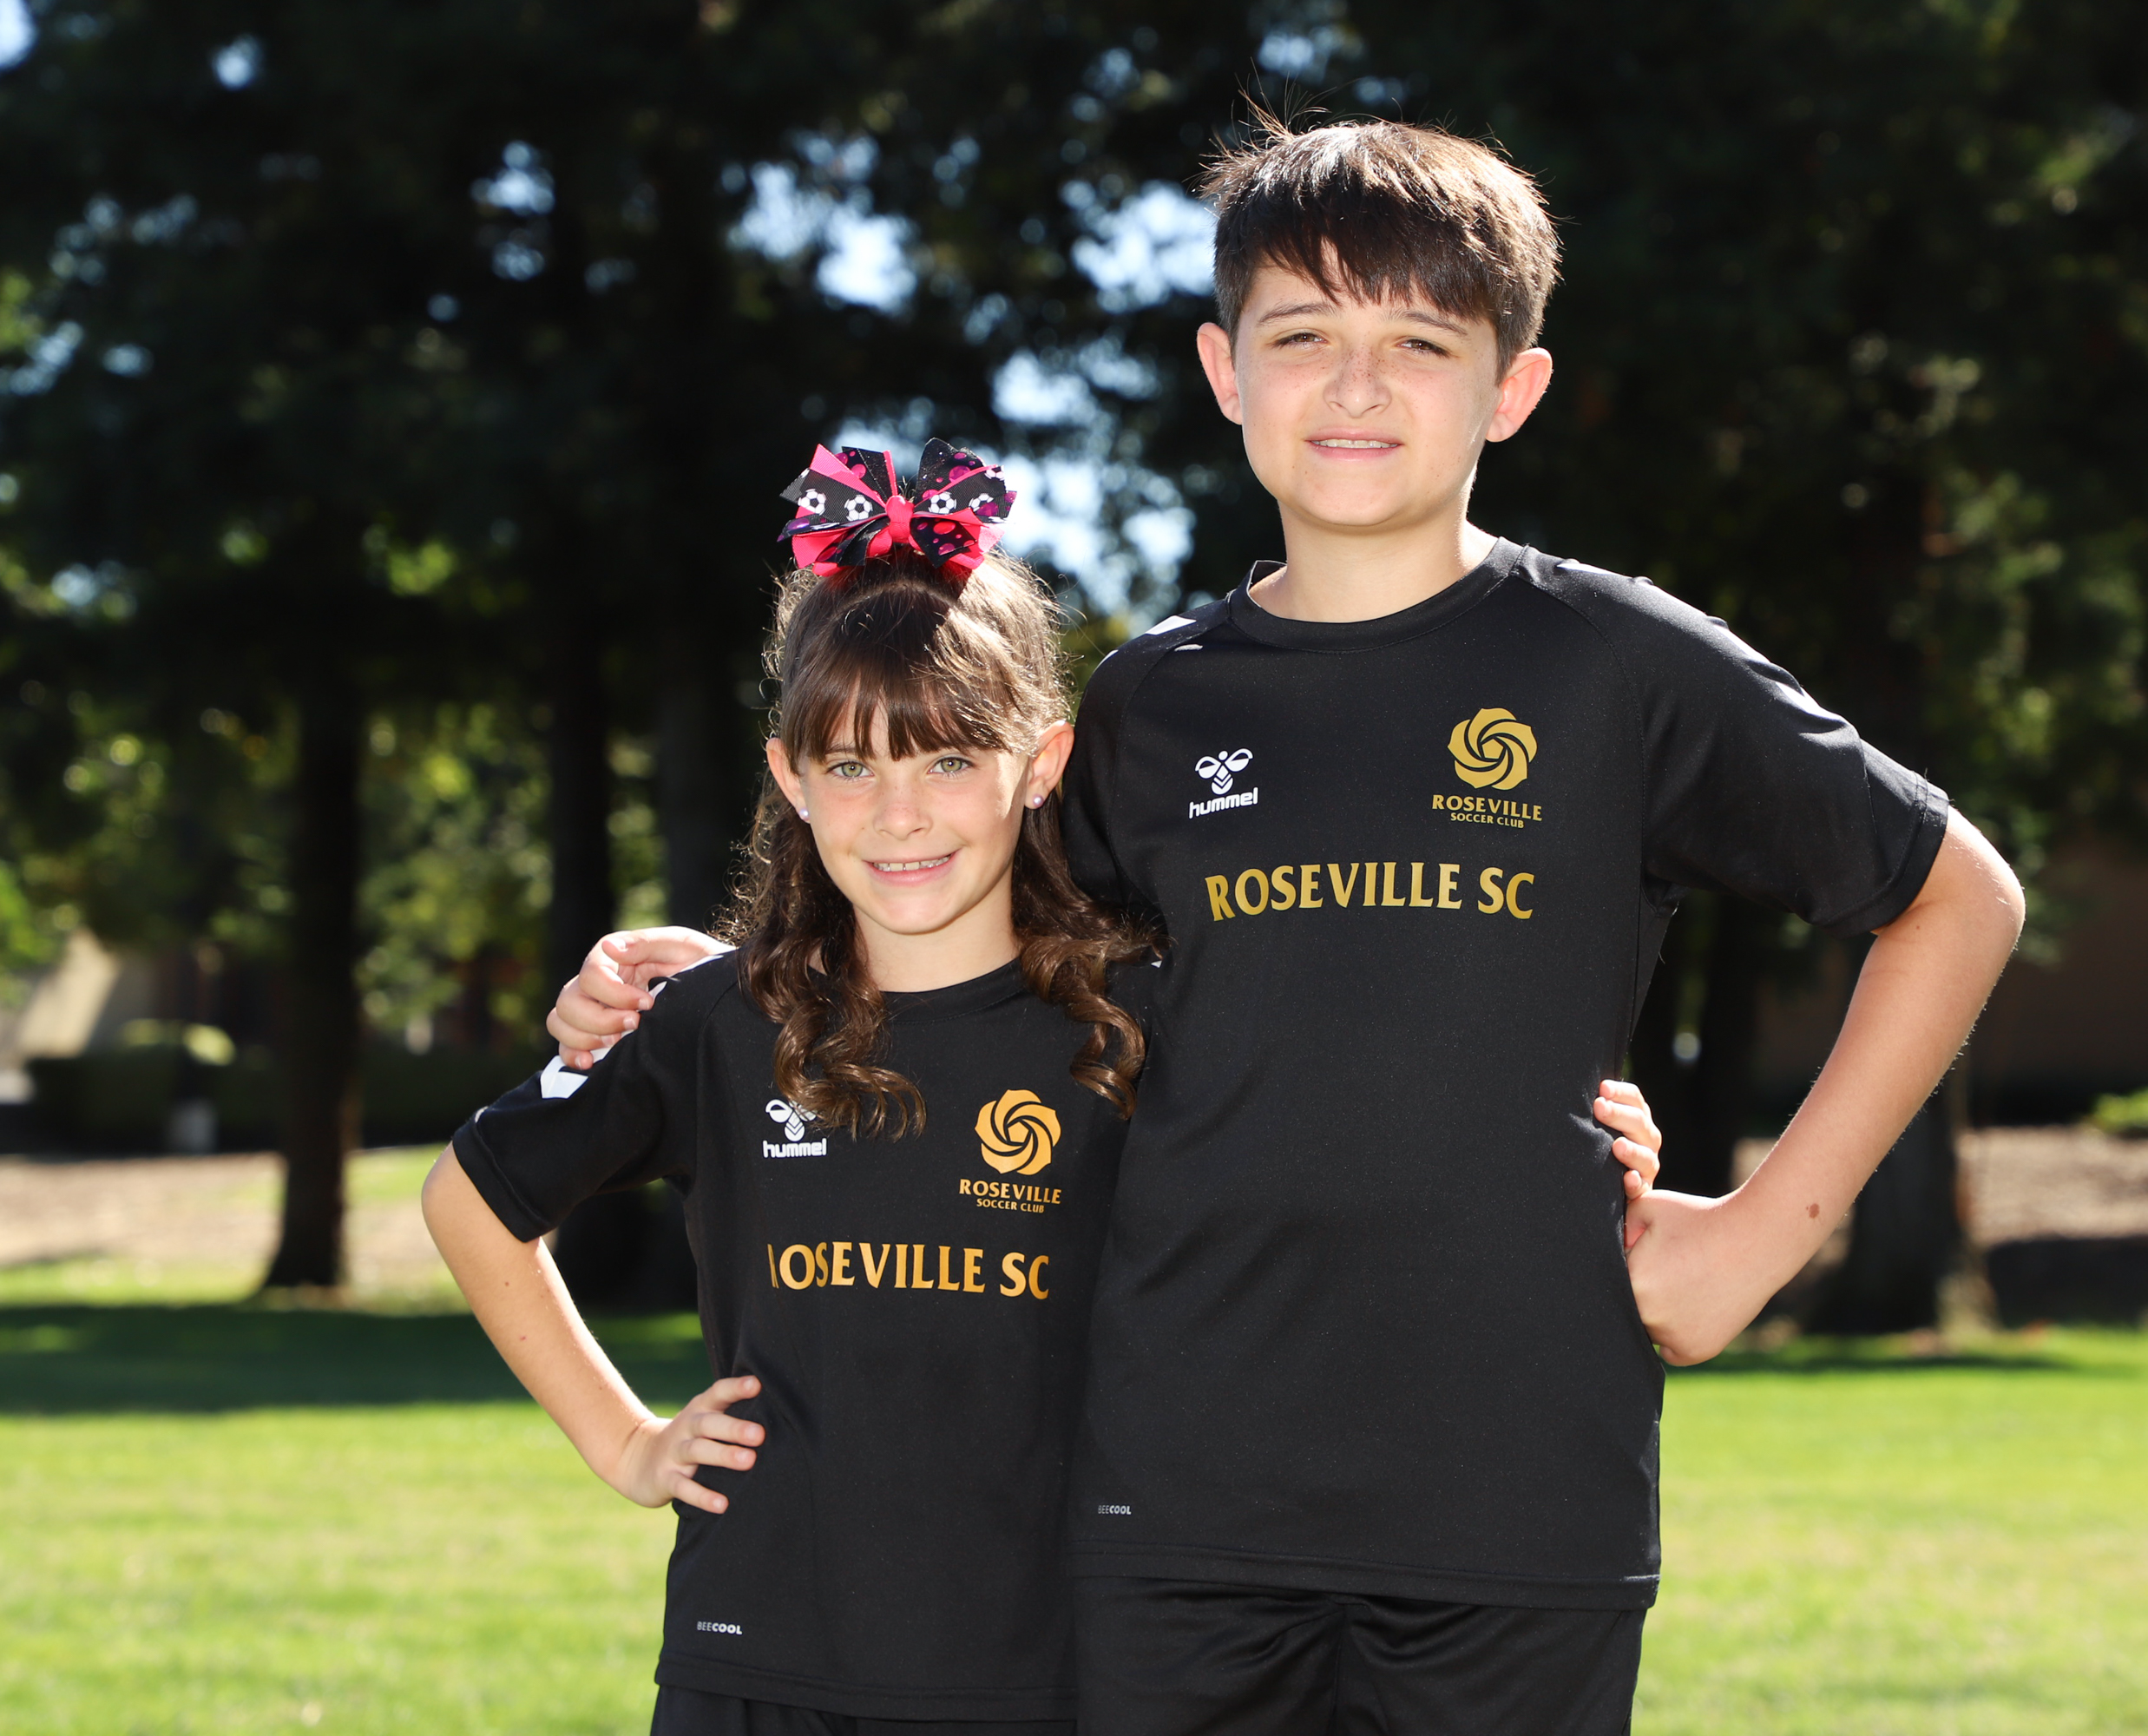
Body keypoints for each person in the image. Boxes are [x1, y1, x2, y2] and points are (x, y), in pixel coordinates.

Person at [554, 116, 2023, 1736]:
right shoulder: (1150, 706)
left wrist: (1754, 1238)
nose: (1356, 387)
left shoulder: (1616, 666)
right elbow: (979, 963)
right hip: (1172, 1508)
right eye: (1304, 336)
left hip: (1519, 1499)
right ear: (1224, 371)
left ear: (1515, 387)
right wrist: (727, 986)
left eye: (1421, 343)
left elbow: (1958, 896)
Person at [423, 442, 1154, 1736]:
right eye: (852, 766)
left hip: (1046, 1673)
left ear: (1042, 763)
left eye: (948, 759)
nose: (899, 814)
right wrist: (627, 1443)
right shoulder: (718, 1022)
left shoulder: (1128, 1024)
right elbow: (469, 1202)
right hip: (755, 1667)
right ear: (790, 782)